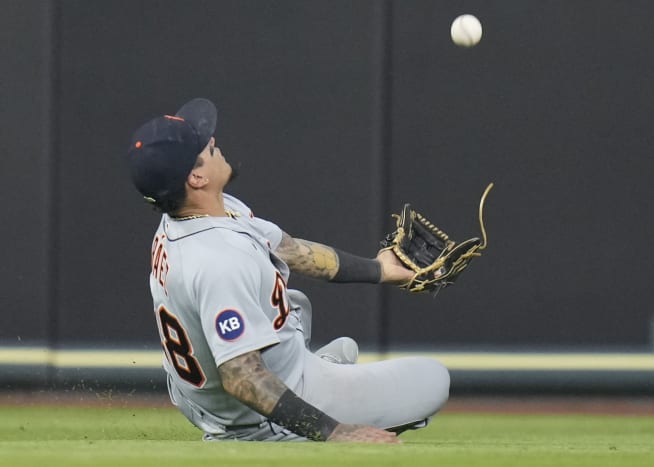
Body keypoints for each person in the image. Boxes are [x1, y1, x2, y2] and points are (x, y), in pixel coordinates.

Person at [127, 98, 450, 443]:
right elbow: (242, 378)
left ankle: (320, 378)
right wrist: (334, 432)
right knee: (433, 378)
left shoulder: (194, 214)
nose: (213, 141)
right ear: (197, 177)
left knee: (292, 301)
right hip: (250, 411)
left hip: (196, 396)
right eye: (203, 144)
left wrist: (381, 269)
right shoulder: (219, 260)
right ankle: (263, 434)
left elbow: (292, 251)